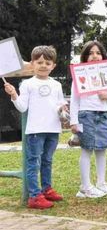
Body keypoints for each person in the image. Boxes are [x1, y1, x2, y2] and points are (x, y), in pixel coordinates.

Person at [4, 46, 67, 209]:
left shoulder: (57, 85)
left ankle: (47, 189)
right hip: (35, 131)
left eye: (47, 62)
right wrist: (13, 95)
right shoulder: (27, 84)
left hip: (53, 129)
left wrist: (63, 108)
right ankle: (34, 196)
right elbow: (22, 107)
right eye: (39, 62)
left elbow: (61, 103)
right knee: (34, 162)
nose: (43, 65)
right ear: (32, 64)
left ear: (53, 65)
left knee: (47, 160)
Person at [70, 41, 107, 198]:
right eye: (91, 53)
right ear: (85, 56)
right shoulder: (79, 75)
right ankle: (85, 186)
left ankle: (101, 182)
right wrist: (73, 121)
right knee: (87, 148)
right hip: (86, 115)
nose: (95, 56)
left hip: (104, 114)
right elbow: (74, 100)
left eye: (98, 53)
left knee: (101, 148)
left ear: (103, 56)